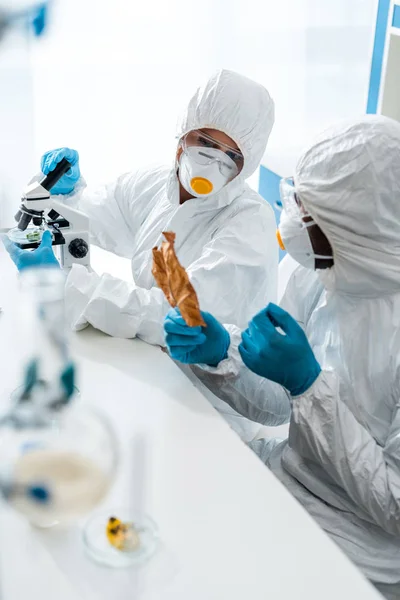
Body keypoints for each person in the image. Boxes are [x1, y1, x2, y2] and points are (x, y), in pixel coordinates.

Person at [164, 115, 400, 599]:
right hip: (287, 474)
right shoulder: (321, 269)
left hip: (355, 547)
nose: (292, 221)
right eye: (298, 200)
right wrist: (223, 354)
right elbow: (279, 403)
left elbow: (394, 505)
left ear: (360, 229)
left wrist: (310, 387)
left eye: (309, 214)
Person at [4, 69, 277, 441]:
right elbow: (89, 217)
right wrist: (60, 193)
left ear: (247, 164)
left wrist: (67, 284)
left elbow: (175, 316)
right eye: (206, 142)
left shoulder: (249, 223)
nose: (214, 162)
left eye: (231, 155)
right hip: (155, 370)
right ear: (184, 133)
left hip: (216, 407)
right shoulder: (156, 185)